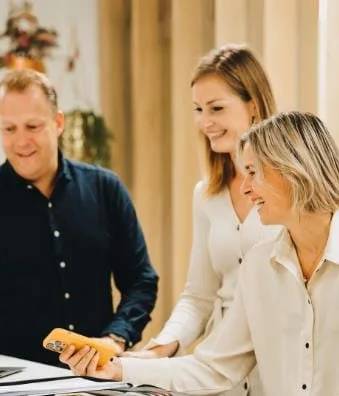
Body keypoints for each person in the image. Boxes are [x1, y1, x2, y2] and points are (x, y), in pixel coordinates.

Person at [61, 111, 339, 395]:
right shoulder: (259, 266)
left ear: (294, 170)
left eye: (253, 172)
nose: (245, 188)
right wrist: (118, 368)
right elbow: (213, 368)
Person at [0, 68, 159, 367]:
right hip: (9, 384)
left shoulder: (105, 189)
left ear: (58, 123)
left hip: (97, 378)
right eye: (9, 129)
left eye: (32, 126)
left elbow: (140, 280)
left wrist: (115, 339)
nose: (21, 141)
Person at [118, 44, 280, 395]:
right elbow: (199, 296)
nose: (205, 122)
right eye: (199, 109)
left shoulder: (288, 187)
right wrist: (162, 348)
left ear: (253, 105)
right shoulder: (207, 194)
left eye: (217, 108)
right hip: (219, 375)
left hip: (279, 368)